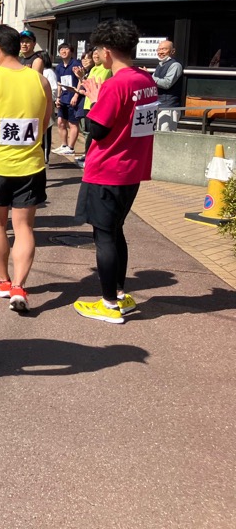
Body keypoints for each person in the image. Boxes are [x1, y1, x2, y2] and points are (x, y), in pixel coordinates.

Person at [73, 19, 157, 324]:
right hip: (133, 168)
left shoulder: (115, 85)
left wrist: (92, 99)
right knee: (116, 230)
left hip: (108, 169)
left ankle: (109, 304)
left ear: (106, 52)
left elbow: (96, 129)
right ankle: (120, 294)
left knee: (104, 236)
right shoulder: (146, 81)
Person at [0, 25, 53, 312]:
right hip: (31, 164)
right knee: (24, 227)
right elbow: (45, 124)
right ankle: (19, 285)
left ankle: (3, 280)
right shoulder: (40, 81)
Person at [76, 46, 111, 168]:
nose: (96, 56)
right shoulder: (93, 69)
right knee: (88, 133)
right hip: (87, 104)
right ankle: (88, 157)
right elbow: (88, 85)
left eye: (98, 54)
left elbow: (99, 86)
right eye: (94, 54)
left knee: (93, 134)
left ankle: (91, 160)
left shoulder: (106, 69)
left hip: (97, 105)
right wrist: (81, 77)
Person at [52, 43, 83, 155]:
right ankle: (64, 145)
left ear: (71, 51)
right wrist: (58, 98)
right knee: (60, 122)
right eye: (61, 49)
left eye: (66, 49)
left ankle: (71, 147)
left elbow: (81, 80)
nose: (63, 51)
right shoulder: (59, 67)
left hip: (73, 98)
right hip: (64, 98)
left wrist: (76, 95)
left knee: (73, 123)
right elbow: (59, 83)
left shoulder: (76, 64)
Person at [154, 39, 183, 131]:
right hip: (158, 105)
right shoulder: (159, 65)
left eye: (164, 49)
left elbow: (167, 83)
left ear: (172, 51)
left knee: (165, 135)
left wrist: (148, 77)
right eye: (159, 49)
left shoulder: (175, 65)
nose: (160, 52)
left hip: (169, 107)